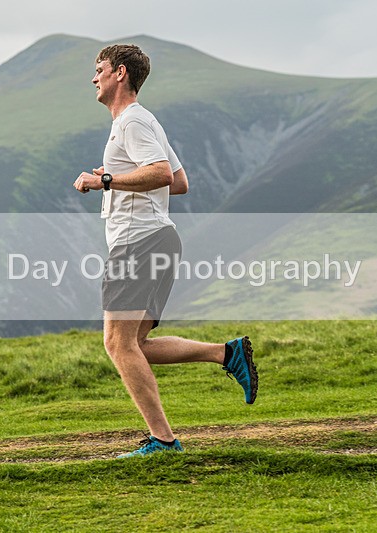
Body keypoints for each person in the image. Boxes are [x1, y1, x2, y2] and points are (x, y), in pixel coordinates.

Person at [73, 44, 258, 458]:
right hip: (158, 238)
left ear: (120, 73)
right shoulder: (142, 121)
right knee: (135, 343)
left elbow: (159, 173)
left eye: (99, 69)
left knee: (117, 344)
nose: (94, 78)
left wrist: (104, 181)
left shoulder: (132, 122)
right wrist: (117, 176)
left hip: (138, 241)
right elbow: (179, 181)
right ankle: (226, 354)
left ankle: (164, 441)